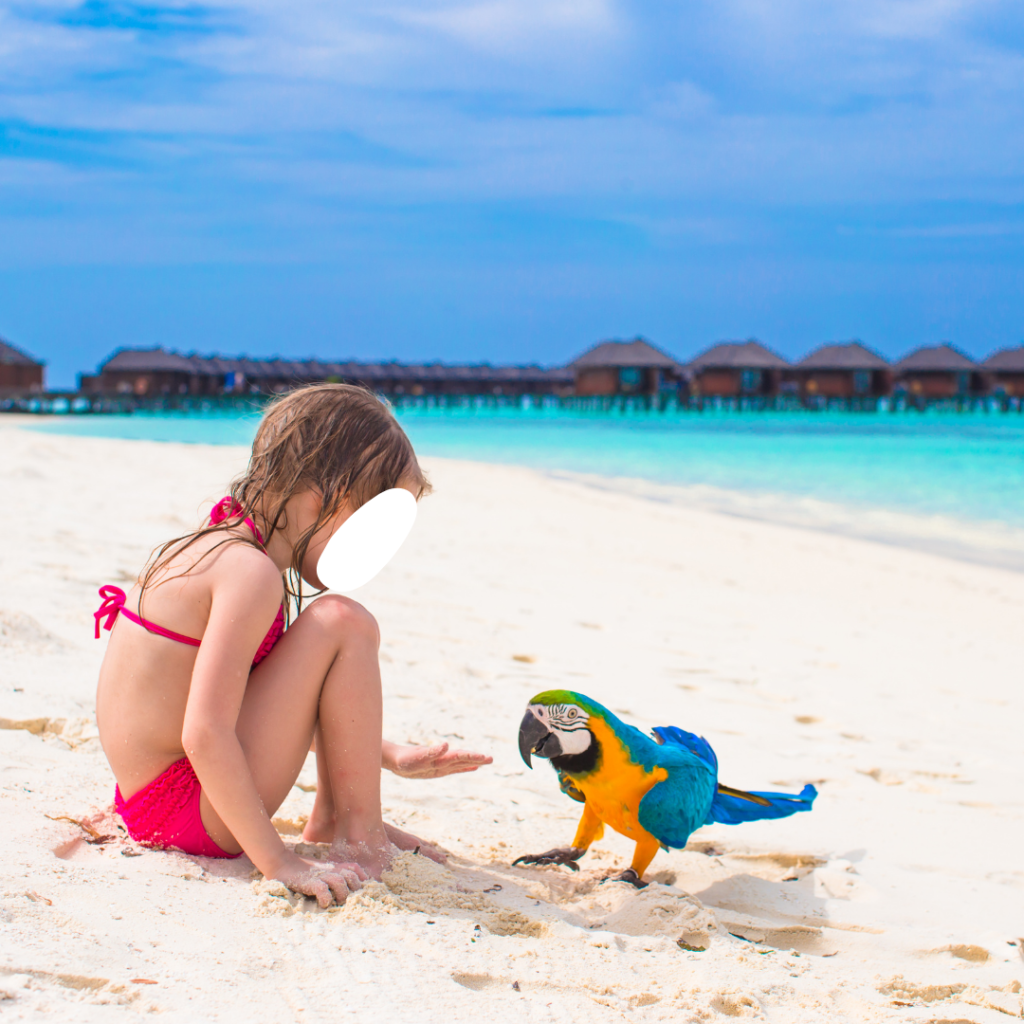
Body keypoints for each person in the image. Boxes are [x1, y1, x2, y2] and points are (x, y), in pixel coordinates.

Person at [94, 384, 491, 907]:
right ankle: (357, 828)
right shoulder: (250, 575)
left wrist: (391, 755)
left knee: (333, 625)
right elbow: (207, 734)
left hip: (147, 801)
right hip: (186, 810)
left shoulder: (220, 545)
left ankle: (341, 814)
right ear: (317, 496)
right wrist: (279, 862)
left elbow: (256, 709)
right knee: (342, 621)